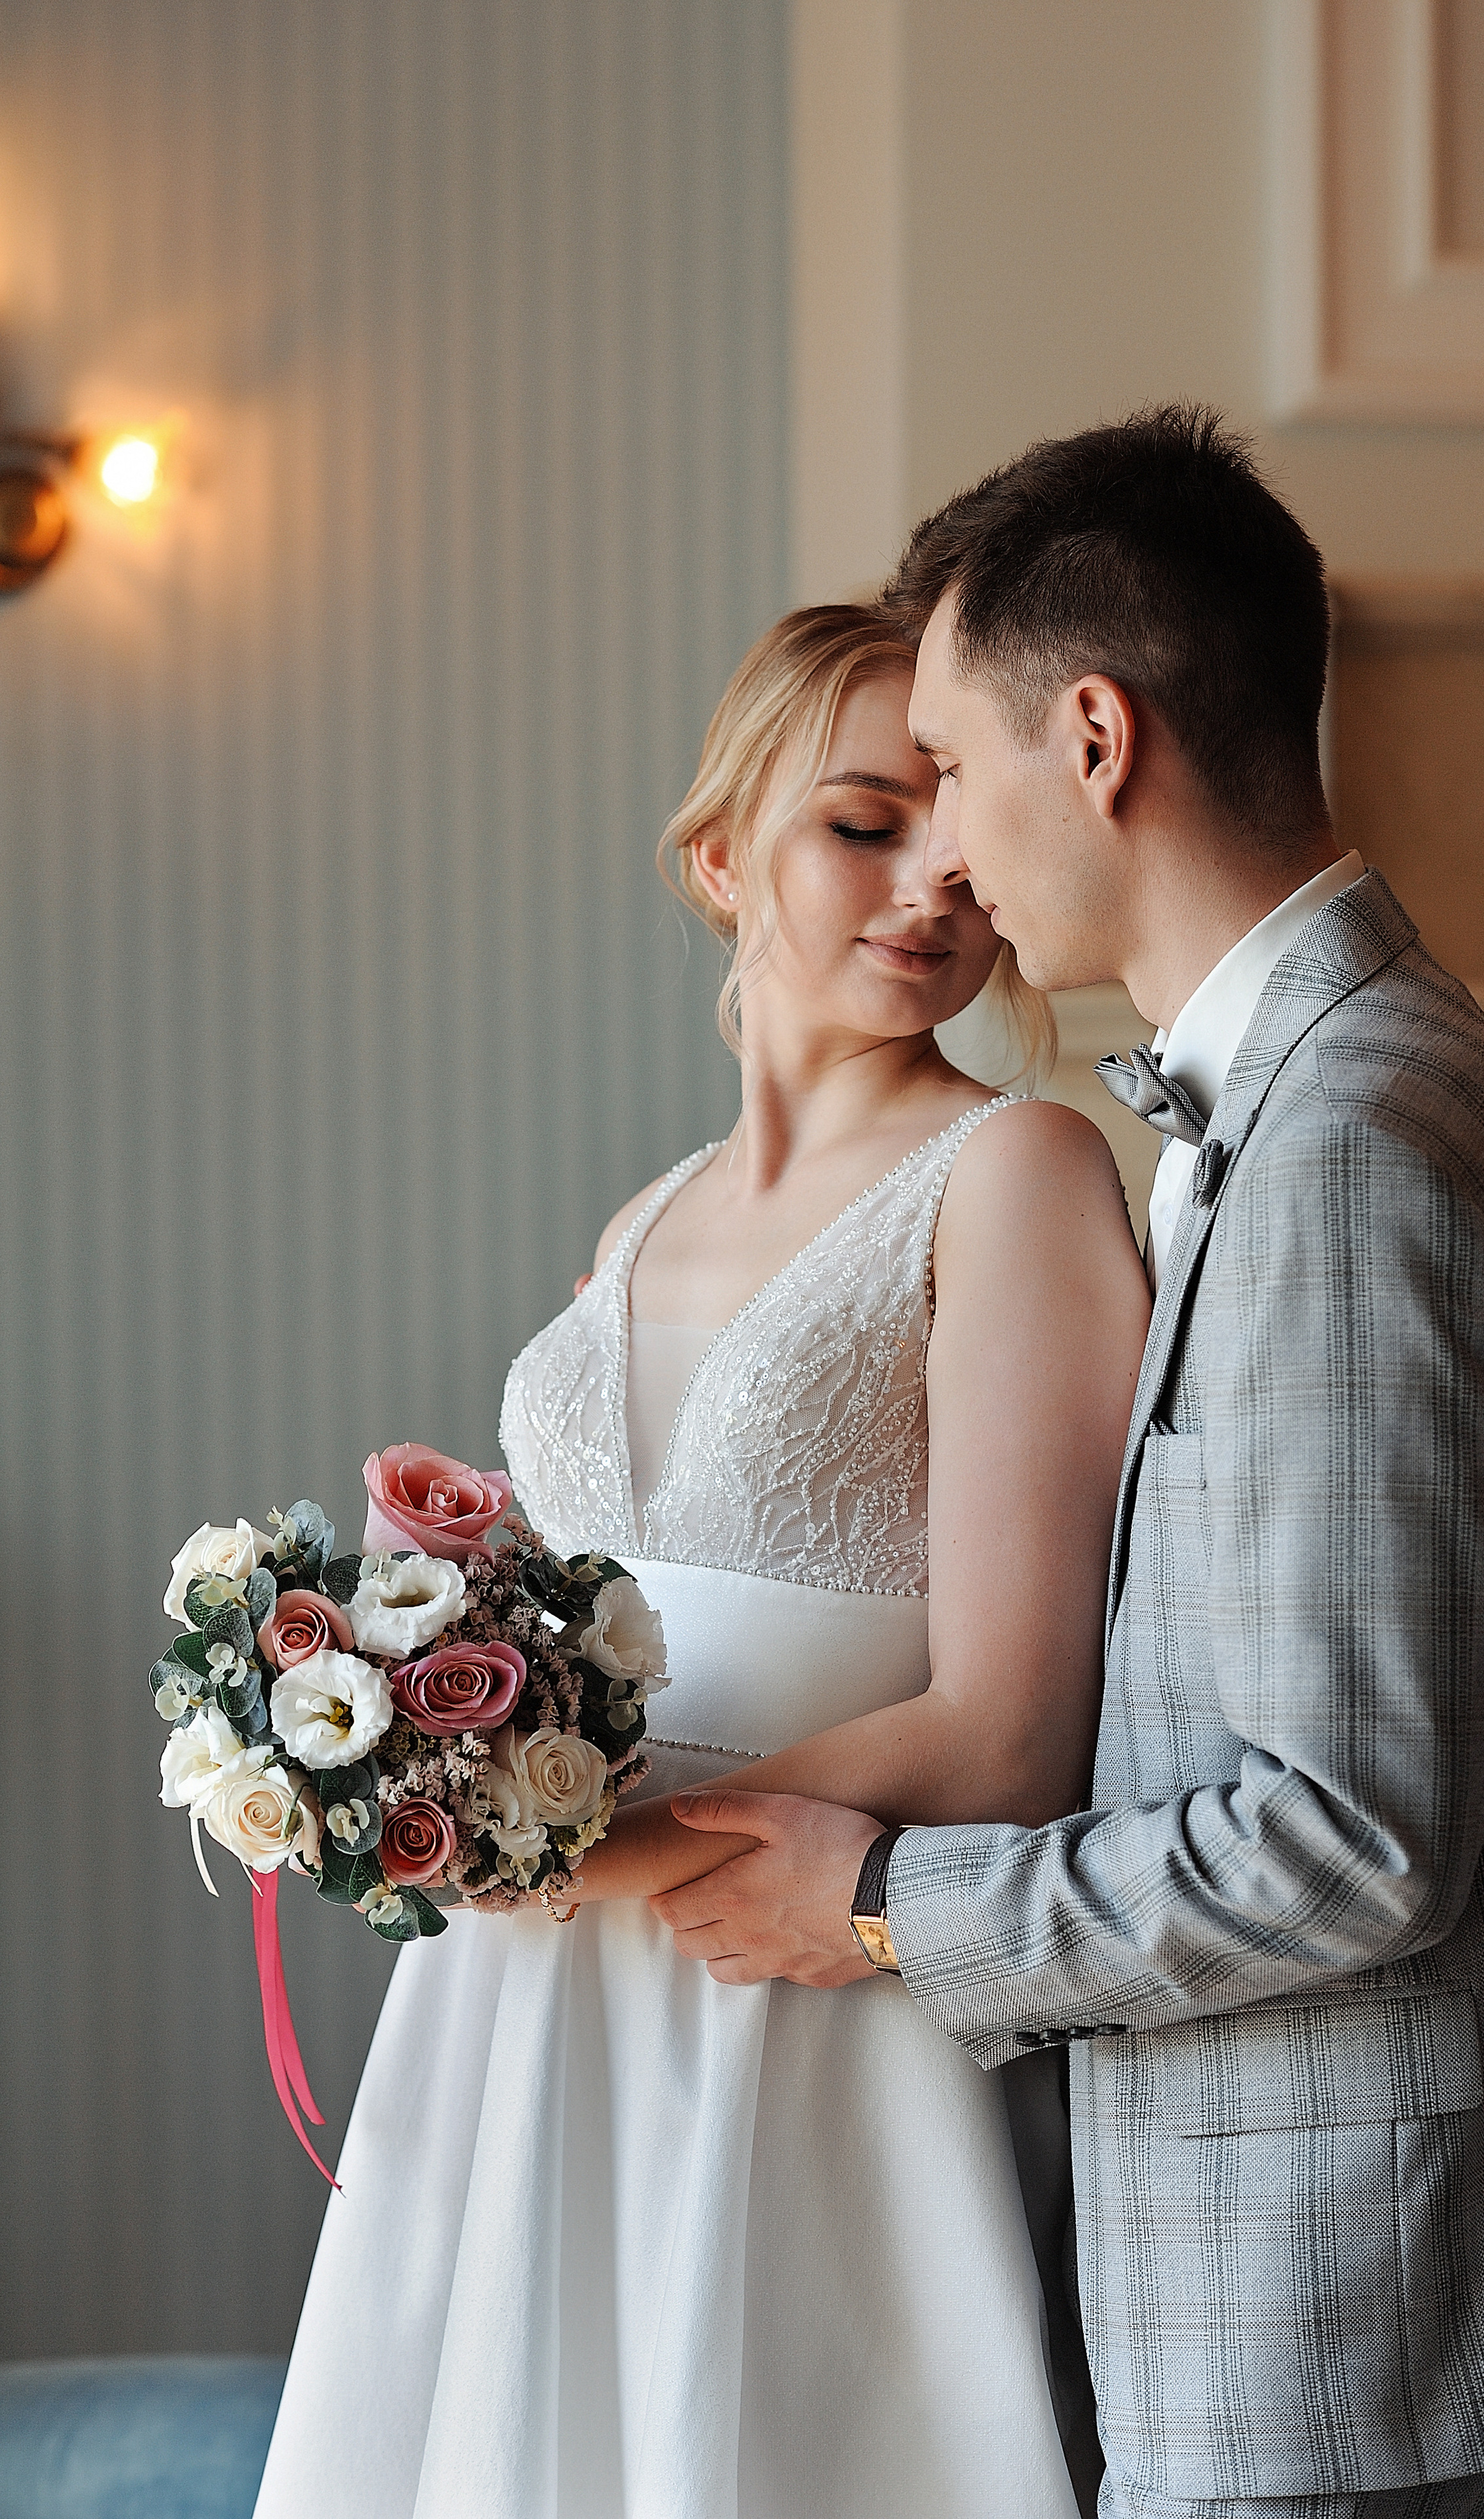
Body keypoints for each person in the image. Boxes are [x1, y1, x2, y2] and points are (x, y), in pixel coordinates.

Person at [651, 411, 1484, 2519]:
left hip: (1320, 2290)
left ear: (1094, 736)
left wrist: (875, 1912)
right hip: (1281, 2250)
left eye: (953, 760)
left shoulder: (1355, 1142)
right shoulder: (1304, 1099)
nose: (946, 848)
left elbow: (1350, 1839)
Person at [255, 602, 1149, 2519]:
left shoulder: (1018, 1178)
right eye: (857, 825)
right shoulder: (634, 1224)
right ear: (722, 853)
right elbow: (566, 1636)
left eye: (958, 838)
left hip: (799, 1994)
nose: (934, 883)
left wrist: (582, 1848)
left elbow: (1011, 1731)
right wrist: (393, 1763)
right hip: (524, 2011)